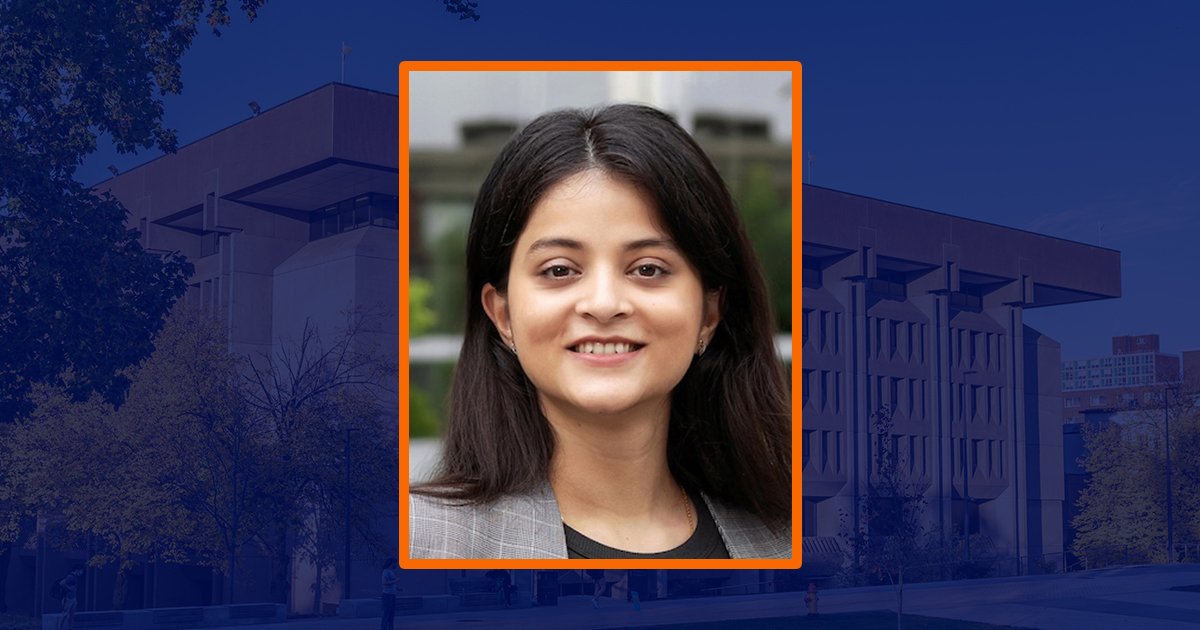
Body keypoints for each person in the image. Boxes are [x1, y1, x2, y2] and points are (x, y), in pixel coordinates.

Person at [409, 103, 792, 559]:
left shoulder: (788, 538)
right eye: (558, 270)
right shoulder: (421, 540)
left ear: (709, 313)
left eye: (648, 268)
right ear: (503, 314)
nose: (605, 304)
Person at [379, 558, 398, 630]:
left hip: (392, 595)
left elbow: (391, 583)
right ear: (391, 563)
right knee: (386, 614)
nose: (396, 565)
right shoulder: (385, 572)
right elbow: (384, 582)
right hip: (387, 595)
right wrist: (395, 580)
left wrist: (397, 588)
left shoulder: (391, 572)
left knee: (391, 614)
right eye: (395, 563)